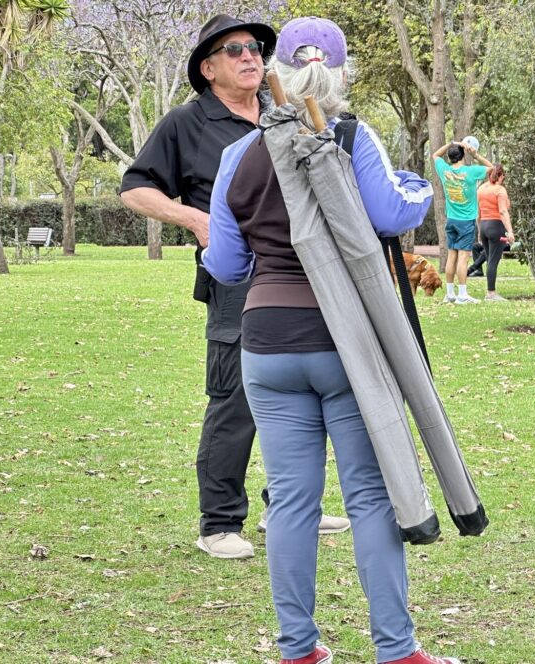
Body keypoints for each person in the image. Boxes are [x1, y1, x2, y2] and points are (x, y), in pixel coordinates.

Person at [202, 17, 460, 664]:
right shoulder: (348, 135)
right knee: (369, 494)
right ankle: (397, 650)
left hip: (266, 342)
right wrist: (419, 185)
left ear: (275, 71)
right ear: (343, 72)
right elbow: (391, 214)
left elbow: (227, 267)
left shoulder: (239, 154)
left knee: (291, 498)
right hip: (347, 343)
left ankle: (298, 648)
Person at [119, 14, 348, 561]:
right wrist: (198, 221)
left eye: (256, 49)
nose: (251, 57)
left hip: (301, 277)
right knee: (236, 397)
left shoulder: (282, 112)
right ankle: (219, 522)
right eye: (235, 50)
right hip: (235, 279)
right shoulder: (187, 122)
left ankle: (290, 506)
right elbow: (134, 188)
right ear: (209, 67)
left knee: (299, 395)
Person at [432, 139, 492, 304]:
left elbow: (435, 155)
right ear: (463, 155)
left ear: (450, 157)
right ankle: (462, 295)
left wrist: (451, 143)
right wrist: (475, 153)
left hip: (451, 219)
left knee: (452, 255)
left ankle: (450, 294)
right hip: (466, 221)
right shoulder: (471, 172)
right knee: (463, 257)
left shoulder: (444, 170)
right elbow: (493, 169)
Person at [475, 164, 515, 301]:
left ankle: (490, 291)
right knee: (493, 260)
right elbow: (503, 211)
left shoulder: (481, 189)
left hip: (484, 226)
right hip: (496, 226)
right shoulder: (500, 190)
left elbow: (478, 213)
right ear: (501, 175)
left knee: (489, 258)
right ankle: (491, 293)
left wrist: (479, 231)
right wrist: (510, 231)